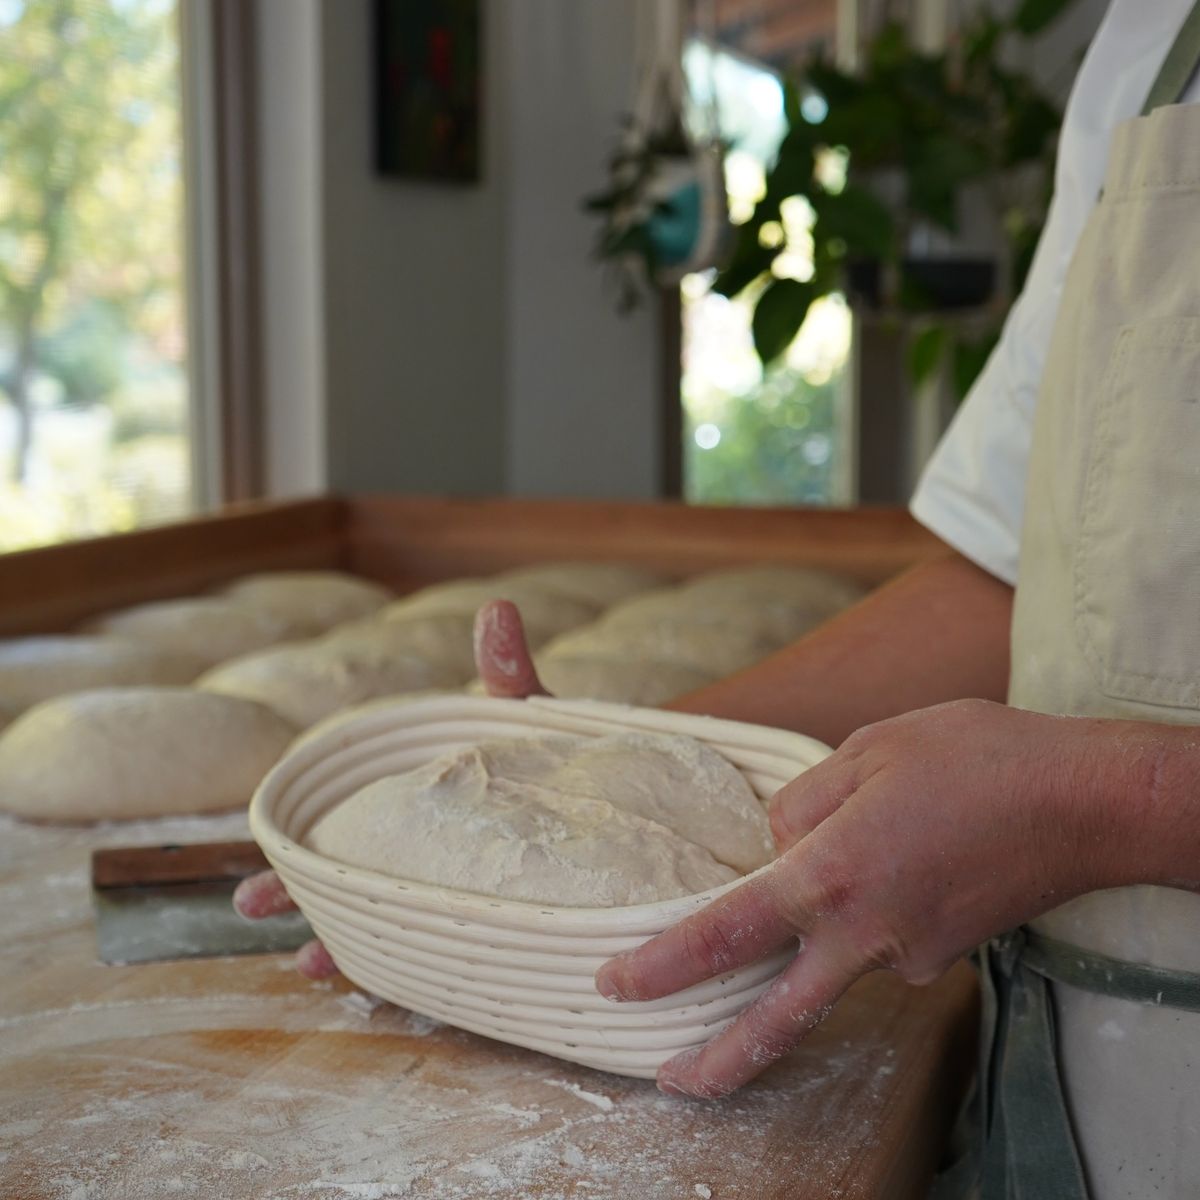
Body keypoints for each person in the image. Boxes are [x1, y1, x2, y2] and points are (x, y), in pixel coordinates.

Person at [236, 2, 1200, 1195]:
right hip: (1074, 1093)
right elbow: (1020, 573)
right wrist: (591, 767)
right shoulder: (1148, 45)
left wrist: (1094, 804)